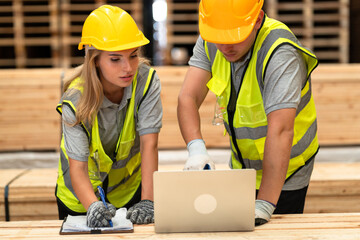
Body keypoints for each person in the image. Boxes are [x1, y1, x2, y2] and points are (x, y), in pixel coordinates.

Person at [177, 0, 319, 226]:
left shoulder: (279, 53)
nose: (225, 47)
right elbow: (187, 97)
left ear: (258, 20)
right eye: (219, 38)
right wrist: (196, 148)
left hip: (287, 171)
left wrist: (265, 202)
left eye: (235, 36)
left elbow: (281, 131)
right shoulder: (212, 37)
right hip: (243, 167)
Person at [55, 5, 162, 227]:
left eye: (133, 56)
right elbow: (78, 168)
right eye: (115, 59)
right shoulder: (75, 99)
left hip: (129, 193)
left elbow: (149, 144)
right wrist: (93, 205)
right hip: (79, 199)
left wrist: (148, 200)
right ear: (95, 60)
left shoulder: (147, 82)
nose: (128, 68)